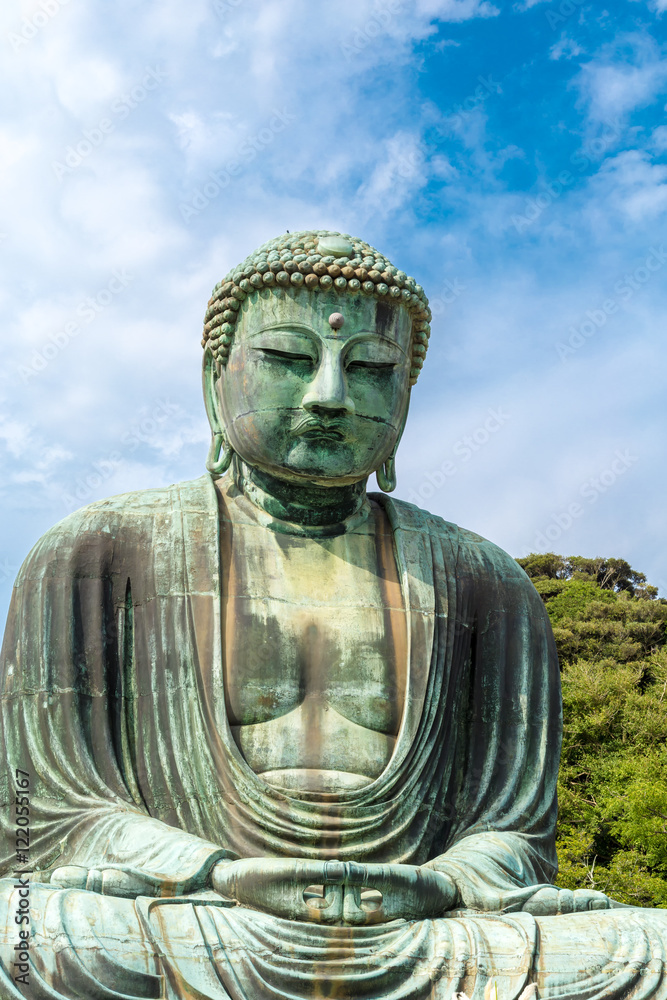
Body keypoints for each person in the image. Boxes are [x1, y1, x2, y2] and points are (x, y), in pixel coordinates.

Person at [0, 230, 663, 1000]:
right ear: (218, 377)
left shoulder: (485, 583)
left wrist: (441, 883)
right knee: (23, 936)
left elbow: (512, 833)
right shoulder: (97, 552)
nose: (328, 395)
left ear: (404, 397)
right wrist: (219, 872)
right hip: (196, 914)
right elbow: (39, 814)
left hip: (424, 928)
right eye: (288, 358)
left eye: (372, 369)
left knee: (645, 951)